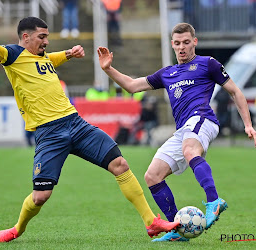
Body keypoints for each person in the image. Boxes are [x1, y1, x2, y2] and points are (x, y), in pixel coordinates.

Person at [0, 10, 180, 243]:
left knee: (120, 164)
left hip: (75, 123)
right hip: (49, 133)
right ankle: (17, 229)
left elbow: (52, 58)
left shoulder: (42, 59)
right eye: (42, 36)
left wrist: (69, 54)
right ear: (25, 37)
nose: (46, 41)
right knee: (41, 195)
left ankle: (151, 222)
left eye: (47, 37)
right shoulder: (14, 56)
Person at [97, 22, 256, 242]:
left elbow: (236, 92)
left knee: (190, 150)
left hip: (203, 120)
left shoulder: (208, 64)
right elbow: (133, 86)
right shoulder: (167, 73)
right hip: (183, 130)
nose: (182, 47)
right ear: (172, 44)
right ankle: (177, 229)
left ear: (195, 42)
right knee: (152, 176)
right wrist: (107, 69)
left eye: (186, 43)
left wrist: (247, 124)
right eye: (178, 43)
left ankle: (214, 201)